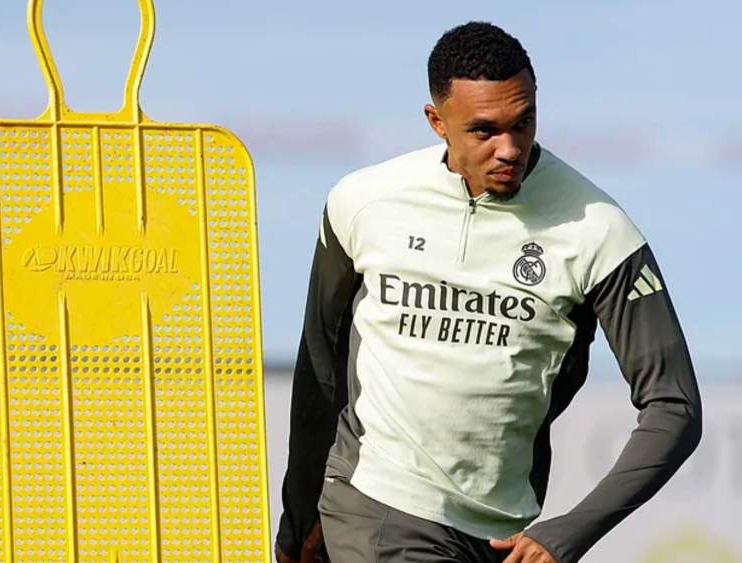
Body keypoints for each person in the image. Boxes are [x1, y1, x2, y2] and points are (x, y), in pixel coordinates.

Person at [275, 21, 702, 563]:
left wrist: (569, 532)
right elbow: (321, 365)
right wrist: (298, 522)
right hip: (379, 505)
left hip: (507, 535)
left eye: (524, 123)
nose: (510, 148)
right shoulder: (362, 202)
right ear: (437, 122)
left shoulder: (599, 229)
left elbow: (675, 407)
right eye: (484, 130)